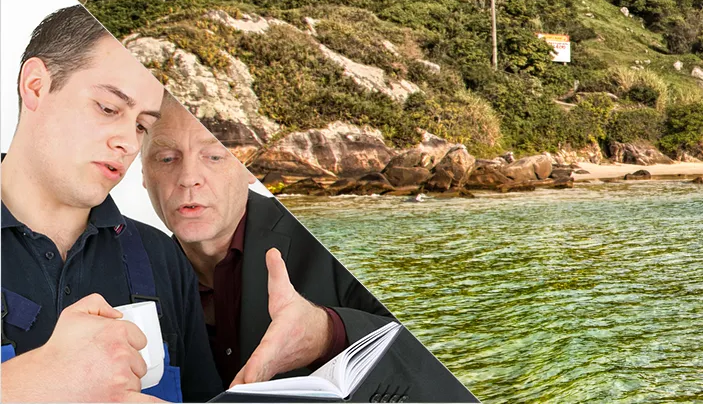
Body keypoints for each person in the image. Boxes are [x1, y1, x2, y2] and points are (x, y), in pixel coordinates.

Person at [142, 96, 476, 401]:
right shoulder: (134, 268)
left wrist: (325, 334)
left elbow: (451, 364)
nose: (188, 178)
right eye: (166, 157)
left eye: (214, 155)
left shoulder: (340, 233)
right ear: (143, 172)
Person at [1, 5, 222, 401]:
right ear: (35, 86)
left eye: (141, 125)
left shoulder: (163, 260)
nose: (128, 142)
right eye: (108, 108)